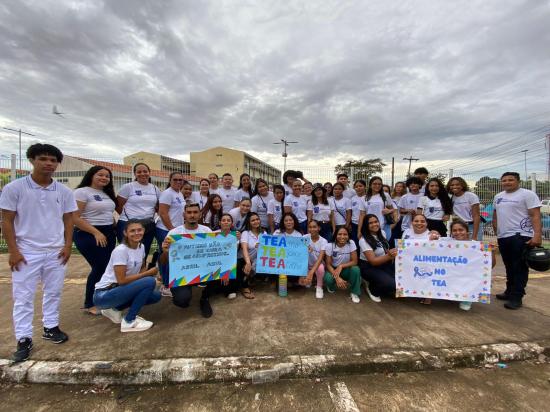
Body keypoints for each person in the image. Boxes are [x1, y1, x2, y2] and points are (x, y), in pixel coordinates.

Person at [0, 143, 77, 362]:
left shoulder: (63, 191)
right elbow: (6, 220)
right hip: (26, 251)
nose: (49, 164)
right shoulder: (15, 188)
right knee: (23, 296)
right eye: (43, 159)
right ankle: (24, 338)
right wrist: (13, 251)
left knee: (53, 291)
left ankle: (50, 326)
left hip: (55, 251)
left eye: (53, 160)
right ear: (32, 160)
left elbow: (68, 219)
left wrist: (67, 245)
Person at [93, 220, 160, 332]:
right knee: (149, 281)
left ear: (144, 231)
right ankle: (129, 321)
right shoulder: (121, 251)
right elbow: (122, 281)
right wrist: (148, 274)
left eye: (139, 230)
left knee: (155, 296)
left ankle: (114, 309)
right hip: (103, 294)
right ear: (125, 233)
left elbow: (141, 269)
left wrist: (151, 275)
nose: (136, 233)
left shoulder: (141, 246)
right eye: (132, 231)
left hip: (118, 290)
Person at [493, 172, 542, 310]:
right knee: (509, 266)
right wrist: (497, 232)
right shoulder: (498, 197)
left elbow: (535, 215)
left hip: (521, 235)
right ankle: (509, 291)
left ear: (518, 181)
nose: (507, 182)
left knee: (519, 267)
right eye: (504, 180)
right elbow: (495, 215)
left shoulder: (527, 194)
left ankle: (517, 296)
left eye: (511, 180)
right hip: (503, 236)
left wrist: (537, 234)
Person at [73, 166, 117, 315]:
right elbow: (74, 218)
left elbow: (106, 212)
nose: (104, 178)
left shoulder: (106, 193)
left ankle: (104, 298)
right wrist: (96, 233)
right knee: (99, 267)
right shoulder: (82, 192)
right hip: (89, 233)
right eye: (100, 175)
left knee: (107, 267)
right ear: (91, 175)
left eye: (107, 176)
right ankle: (90, 303)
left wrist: (112, 225)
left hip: (108, 232)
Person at [160, 203, 214, 318]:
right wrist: (165, 251)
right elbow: (163, 262)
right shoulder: (174, 233)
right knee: (182, 301)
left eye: (195, 212)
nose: (192, 215)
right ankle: (185, 290)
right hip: (182, 273)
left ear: (200, 215)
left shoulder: (207, 231)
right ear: (184, 215)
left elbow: (215, 254)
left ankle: (204, 298)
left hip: (202, 270)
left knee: (220, 276)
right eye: (189, 212)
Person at [448, 220, 496, 311]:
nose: (458, 232)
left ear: (467, 231)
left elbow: (491, 265)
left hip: (468, 277)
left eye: (461, 230)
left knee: (484, 279)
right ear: (451, 233)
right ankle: (454, 293)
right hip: (455, 275)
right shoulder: (447, 243)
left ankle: (467, 299)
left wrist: (492, 251)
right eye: (454, 230)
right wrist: (434, 234)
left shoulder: (477, 245)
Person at [116, 162, 159, 258]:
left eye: (145, 171)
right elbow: (118, 205)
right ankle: (125, 273)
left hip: (148, 225)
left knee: (144, 252)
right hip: (128, 224)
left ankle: (141, 272)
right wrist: (131, 220)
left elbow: (158, 206)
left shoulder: (155, 188)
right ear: (135, 174)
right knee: (128, 254)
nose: (142, 174)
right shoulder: (128, 187)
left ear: (149, 173)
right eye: (139, 172)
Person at [155, 172, 185, 297]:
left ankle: (165, 280)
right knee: (167, 257)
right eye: (175, 179)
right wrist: (171, 230)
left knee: (171, 257)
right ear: (170, 180)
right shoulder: (167, 193)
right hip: (165, 229)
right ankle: (166, 286)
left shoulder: (179, 193)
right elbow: (163, 213)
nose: (178, 181)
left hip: (175, 230)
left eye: (180, 180)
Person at [358, 214, 397, 303]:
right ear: (366, 226)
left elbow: (384, 249)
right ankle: (372, 288)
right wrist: (389, 256)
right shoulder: (363, 240)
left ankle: (380, 283)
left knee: (400, 280)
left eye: (376, 222)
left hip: (383, 264)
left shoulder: (382, 233)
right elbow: (373, 262)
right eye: (370, 223)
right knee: (392, 284)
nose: (374, 224)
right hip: (369, 267)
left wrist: (390, 252)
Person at [324, 227, 362, 303]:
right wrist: (337, 277)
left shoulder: (351, 243)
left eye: (345, 234)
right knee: (328, 279)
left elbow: (355, 261)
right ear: (335, 235)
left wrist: (341, 266)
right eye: (339, 234)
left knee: (356, 269)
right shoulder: (329, 246)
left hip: (345, 268)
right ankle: (332, 286)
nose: (342, 237)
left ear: (348, 236)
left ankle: (354, 292)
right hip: (333, 269)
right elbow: (328, 264)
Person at [234, 212, 263, 299]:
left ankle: (251, 277)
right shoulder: (245, 233)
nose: (255, 221)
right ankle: (244, 286)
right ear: (249, 223)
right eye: (253, 220)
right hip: (243, 259)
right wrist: (248, 262)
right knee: (246, 263)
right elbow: (244, 249)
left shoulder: (264, 234)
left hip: (257, 261)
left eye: (257, 219)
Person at [358, 176, 394, 241]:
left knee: (383, 248)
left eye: (379, 184)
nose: (377, 186)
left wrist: (389, 211)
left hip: (383, 227)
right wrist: (359, 230)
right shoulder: (364, 198)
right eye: (374, 184)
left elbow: (393, 209)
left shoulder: (386, 195)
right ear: (370, 185)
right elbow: (361, 215)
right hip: (369, 227)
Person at [302, 220, 328, 299]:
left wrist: (311, 272)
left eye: (314, 227)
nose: (312, 229)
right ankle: (310, 278)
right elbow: (299, 255)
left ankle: (319, 286)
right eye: (310, 227)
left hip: (317, 264)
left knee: (320, 268)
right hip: (306, 264)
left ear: (319, 228)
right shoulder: (304, 238)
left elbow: (320, 259)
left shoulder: (324, 241)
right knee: (305, 285)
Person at [350, 179, 366, 246]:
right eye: (356, 187)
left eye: (360, 186)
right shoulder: (353, 198)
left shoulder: (368, 197)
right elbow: (351, 212)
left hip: (365, 224)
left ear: (365, 187)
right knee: (356, 243)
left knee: (365, 243)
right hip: (354, 224)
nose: (358, 188)